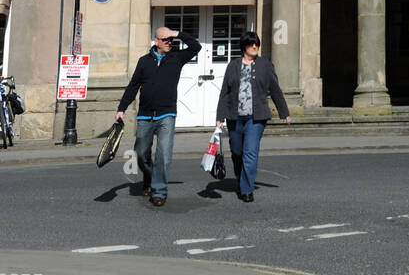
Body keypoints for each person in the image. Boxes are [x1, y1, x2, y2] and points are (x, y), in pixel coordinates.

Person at [115, 26, 201, 206]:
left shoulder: (177, 58)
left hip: (166, 114)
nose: (169, 42)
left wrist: (177, 33)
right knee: (140, 153)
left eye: (171, 39)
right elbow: (133, 86)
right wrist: (122, 108)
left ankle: (159, 191)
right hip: (145, 115)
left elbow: (196, 47)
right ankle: (149, 175)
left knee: (163, 154)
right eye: (165, 39)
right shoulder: (144, 61)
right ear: (156, 41)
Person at [216, 32, 290, 202]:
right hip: (235, 117)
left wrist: (284, 112)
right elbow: (225, 93)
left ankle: (246, 189)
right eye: (251, 44)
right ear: (244, 47)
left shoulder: (265, 65)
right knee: (237, 152)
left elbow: (275, 90)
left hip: (255, 119)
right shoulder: (233, 66)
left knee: (250, 152)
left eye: (256, 44)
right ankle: (240, 176)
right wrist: (220, 116)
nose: (255, 47)